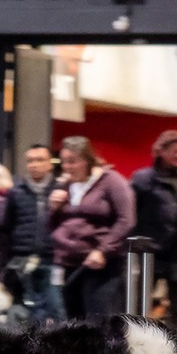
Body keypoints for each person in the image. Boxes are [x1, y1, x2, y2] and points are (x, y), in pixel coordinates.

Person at [48, 136, 136, 321]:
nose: (67, 167)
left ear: (87, 160)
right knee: (74, 324)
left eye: (73, 161)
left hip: (102, 266)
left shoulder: (112, 181)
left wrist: (102, 250)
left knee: (100, 323)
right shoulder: (65, 185)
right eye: (64, 161)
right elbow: (51, 225)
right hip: (70, 265)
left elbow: (126, 220)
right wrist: (53, 209)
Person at [129, 129, 177, 327]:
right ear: (161, 150)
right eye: (175, 151)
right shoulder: (142, 180)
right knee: (139, 305)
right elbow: (131, 214)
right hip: (149, 253)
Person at [1, 143, 65, 322]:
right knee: (27, 315)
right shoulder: (16, 192)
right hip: (22, 261)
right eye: (30, 160)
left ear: (50, 163)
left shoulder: (61, 190)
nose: (34, 164)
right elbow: (6, 227)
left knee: (57, 310)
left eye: (40, 160)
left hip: (52, 260)